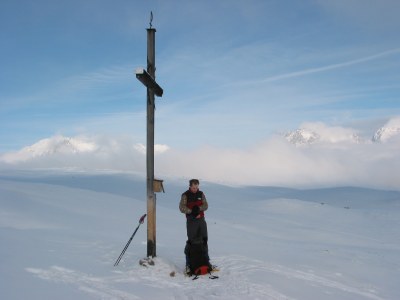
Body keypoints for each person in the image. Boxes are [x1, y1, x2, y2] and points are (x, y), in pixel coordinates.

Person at [179, 179, 210, 274]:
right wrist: (192, 211)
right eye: (193, 188)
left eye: (196, 187)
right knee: (192, 242)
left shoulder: (201, 194)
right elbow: (181, 207)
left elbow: (206, 205)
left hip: (201, 221)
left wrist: (199, 208)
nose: (195, 189)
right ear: (190, 186)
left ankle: (206, 261)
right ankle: (189, 264)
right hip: (191, 221)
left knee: (204, 240)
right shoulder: (185, 195)